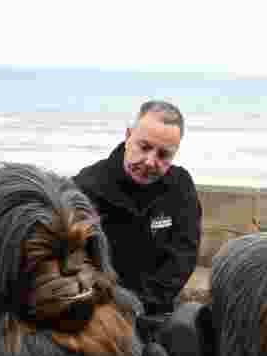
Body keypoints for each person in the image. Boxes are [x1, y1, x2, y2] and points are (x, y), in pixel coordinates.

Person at [74, 101, 202, 316]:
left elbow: (183, 256)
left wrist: (142, 306)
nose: (151, 161)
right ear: (128, 136)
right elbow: (74, 260)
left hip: (155, 311)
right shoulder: (86, 187)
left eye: (163, 155)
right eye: (144, 147)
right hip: (96, 311)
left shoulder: (181, 187)